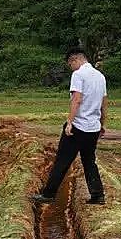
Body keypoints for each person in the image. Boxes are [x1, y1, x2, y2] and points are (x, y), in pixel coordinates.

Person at [32, 49, 107, 205]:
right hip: (93, 127)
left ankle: (49, 194)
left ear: (75, 60)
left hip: (78, 126)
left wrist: (70, 122)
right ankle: (97, 195)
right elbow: (104, 103)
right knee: (89, 161)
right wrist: (102, 124)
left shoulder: (78, 75)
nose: (71, 68)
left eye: (70, 64)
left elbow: (76, 99)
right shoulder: (100, 76)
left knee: (62, 160)